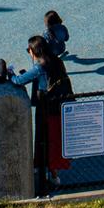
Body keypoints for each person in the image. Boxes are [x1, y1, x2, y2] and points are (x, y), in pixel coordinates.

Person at [11, 37, 74, 173]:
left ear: (34, 50)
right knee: (56, 140)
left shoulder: (40, 67)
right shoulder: (57, 61)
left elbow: (18, 81)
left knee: (44, 140)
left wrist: (10, 73)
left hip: (46, 108)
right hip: (60, 106)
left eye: (29, 50)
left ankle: (42, 171)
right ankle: (54, 173)